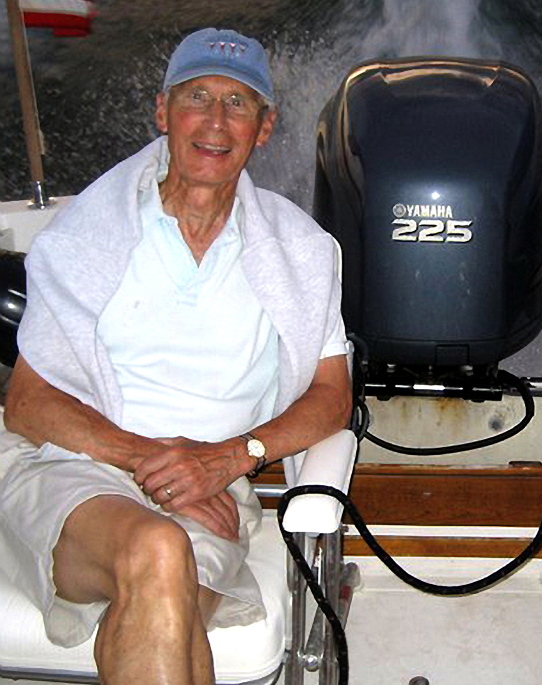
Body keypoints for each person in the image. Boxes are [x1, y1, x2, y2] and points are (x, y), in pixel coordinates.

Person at [0, 28, 351, 685]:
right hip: (76, 470)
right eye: (197, 97)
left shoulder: (302, 251)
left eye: (238, 103)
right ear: (162, 112)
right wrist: (158, 464)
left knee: (162, 581)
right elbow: (27, 403)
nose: (215, 121)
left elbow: (333, 397)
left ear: (265, 126)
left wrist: (227, 458)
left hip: (212, 488)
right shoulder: (85, 234)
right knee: (160, 550)